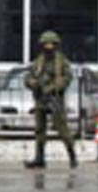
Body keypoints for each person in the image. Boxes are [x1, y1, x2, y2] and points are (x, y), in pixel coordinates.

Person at [23, 31, 78, 169]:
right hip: (40, 99)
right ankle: (39, 158)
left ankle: (72, 156)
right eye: (46, 44)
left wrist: (53, 87)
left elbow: (67, 78)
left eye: (51, 44)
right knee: (39, 130)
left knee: (62, 129)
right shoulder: (38, 62)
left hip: (55, 100)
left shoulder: (61, 62)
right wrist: (32, 83)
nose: (48, 47)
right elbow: (28, 76)